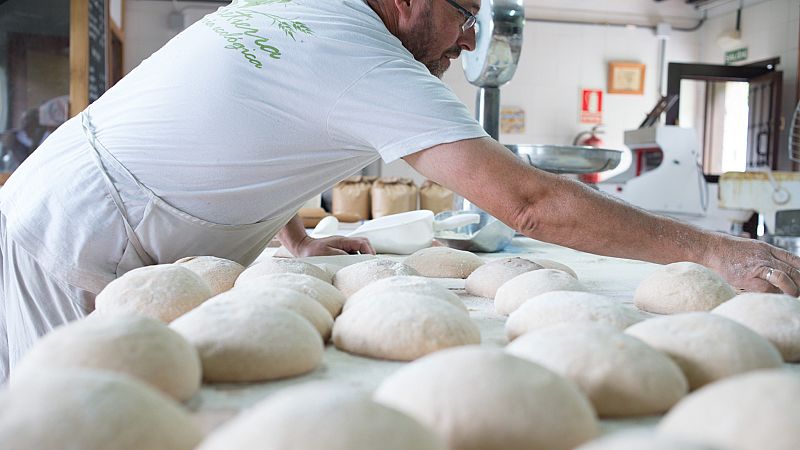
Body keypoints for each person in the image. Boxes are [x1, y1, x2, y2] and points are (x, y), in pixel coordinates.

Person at [0, 0, 798, 383]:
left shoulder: (306, 6)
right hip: (79, 242)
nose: (464, 39)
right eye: (463, 17)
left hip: (71, 204)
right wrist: (709, 247)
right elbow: (528, 205)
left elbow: (248, 130)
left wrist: (298, 237)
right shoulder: (366, 57)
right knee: (71, 441)